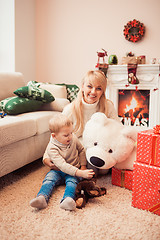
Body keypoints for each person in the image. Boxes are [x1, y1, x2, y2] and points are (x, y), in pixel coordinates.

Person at [43, 69, 120, 169]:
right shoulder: (70, 109)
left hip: (100, 150)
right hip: (77, 151)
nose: (93, 92)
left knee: (107, 168)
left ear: (103, 91)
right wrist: (46, 156)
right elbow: (56, 135)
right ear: (82, 87)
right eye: (89, 86)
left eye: (98, 88)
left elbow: (119, 130)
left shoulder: (108, 106)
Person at [30, 113, 94, 211]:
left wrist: (83, 166)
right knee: (49, 179)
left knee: (72, 182)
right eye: (66, 135)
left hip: (73, 168)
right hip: (58, 170)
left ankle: (67, 199)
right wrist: (80, 173)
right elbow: (62, 165)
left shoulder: (73, 138)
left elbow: (81, 150)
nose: (70, 136)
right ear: (54, 136)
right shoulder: (52, 148)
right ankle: (42, 198)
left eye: (71, 133)